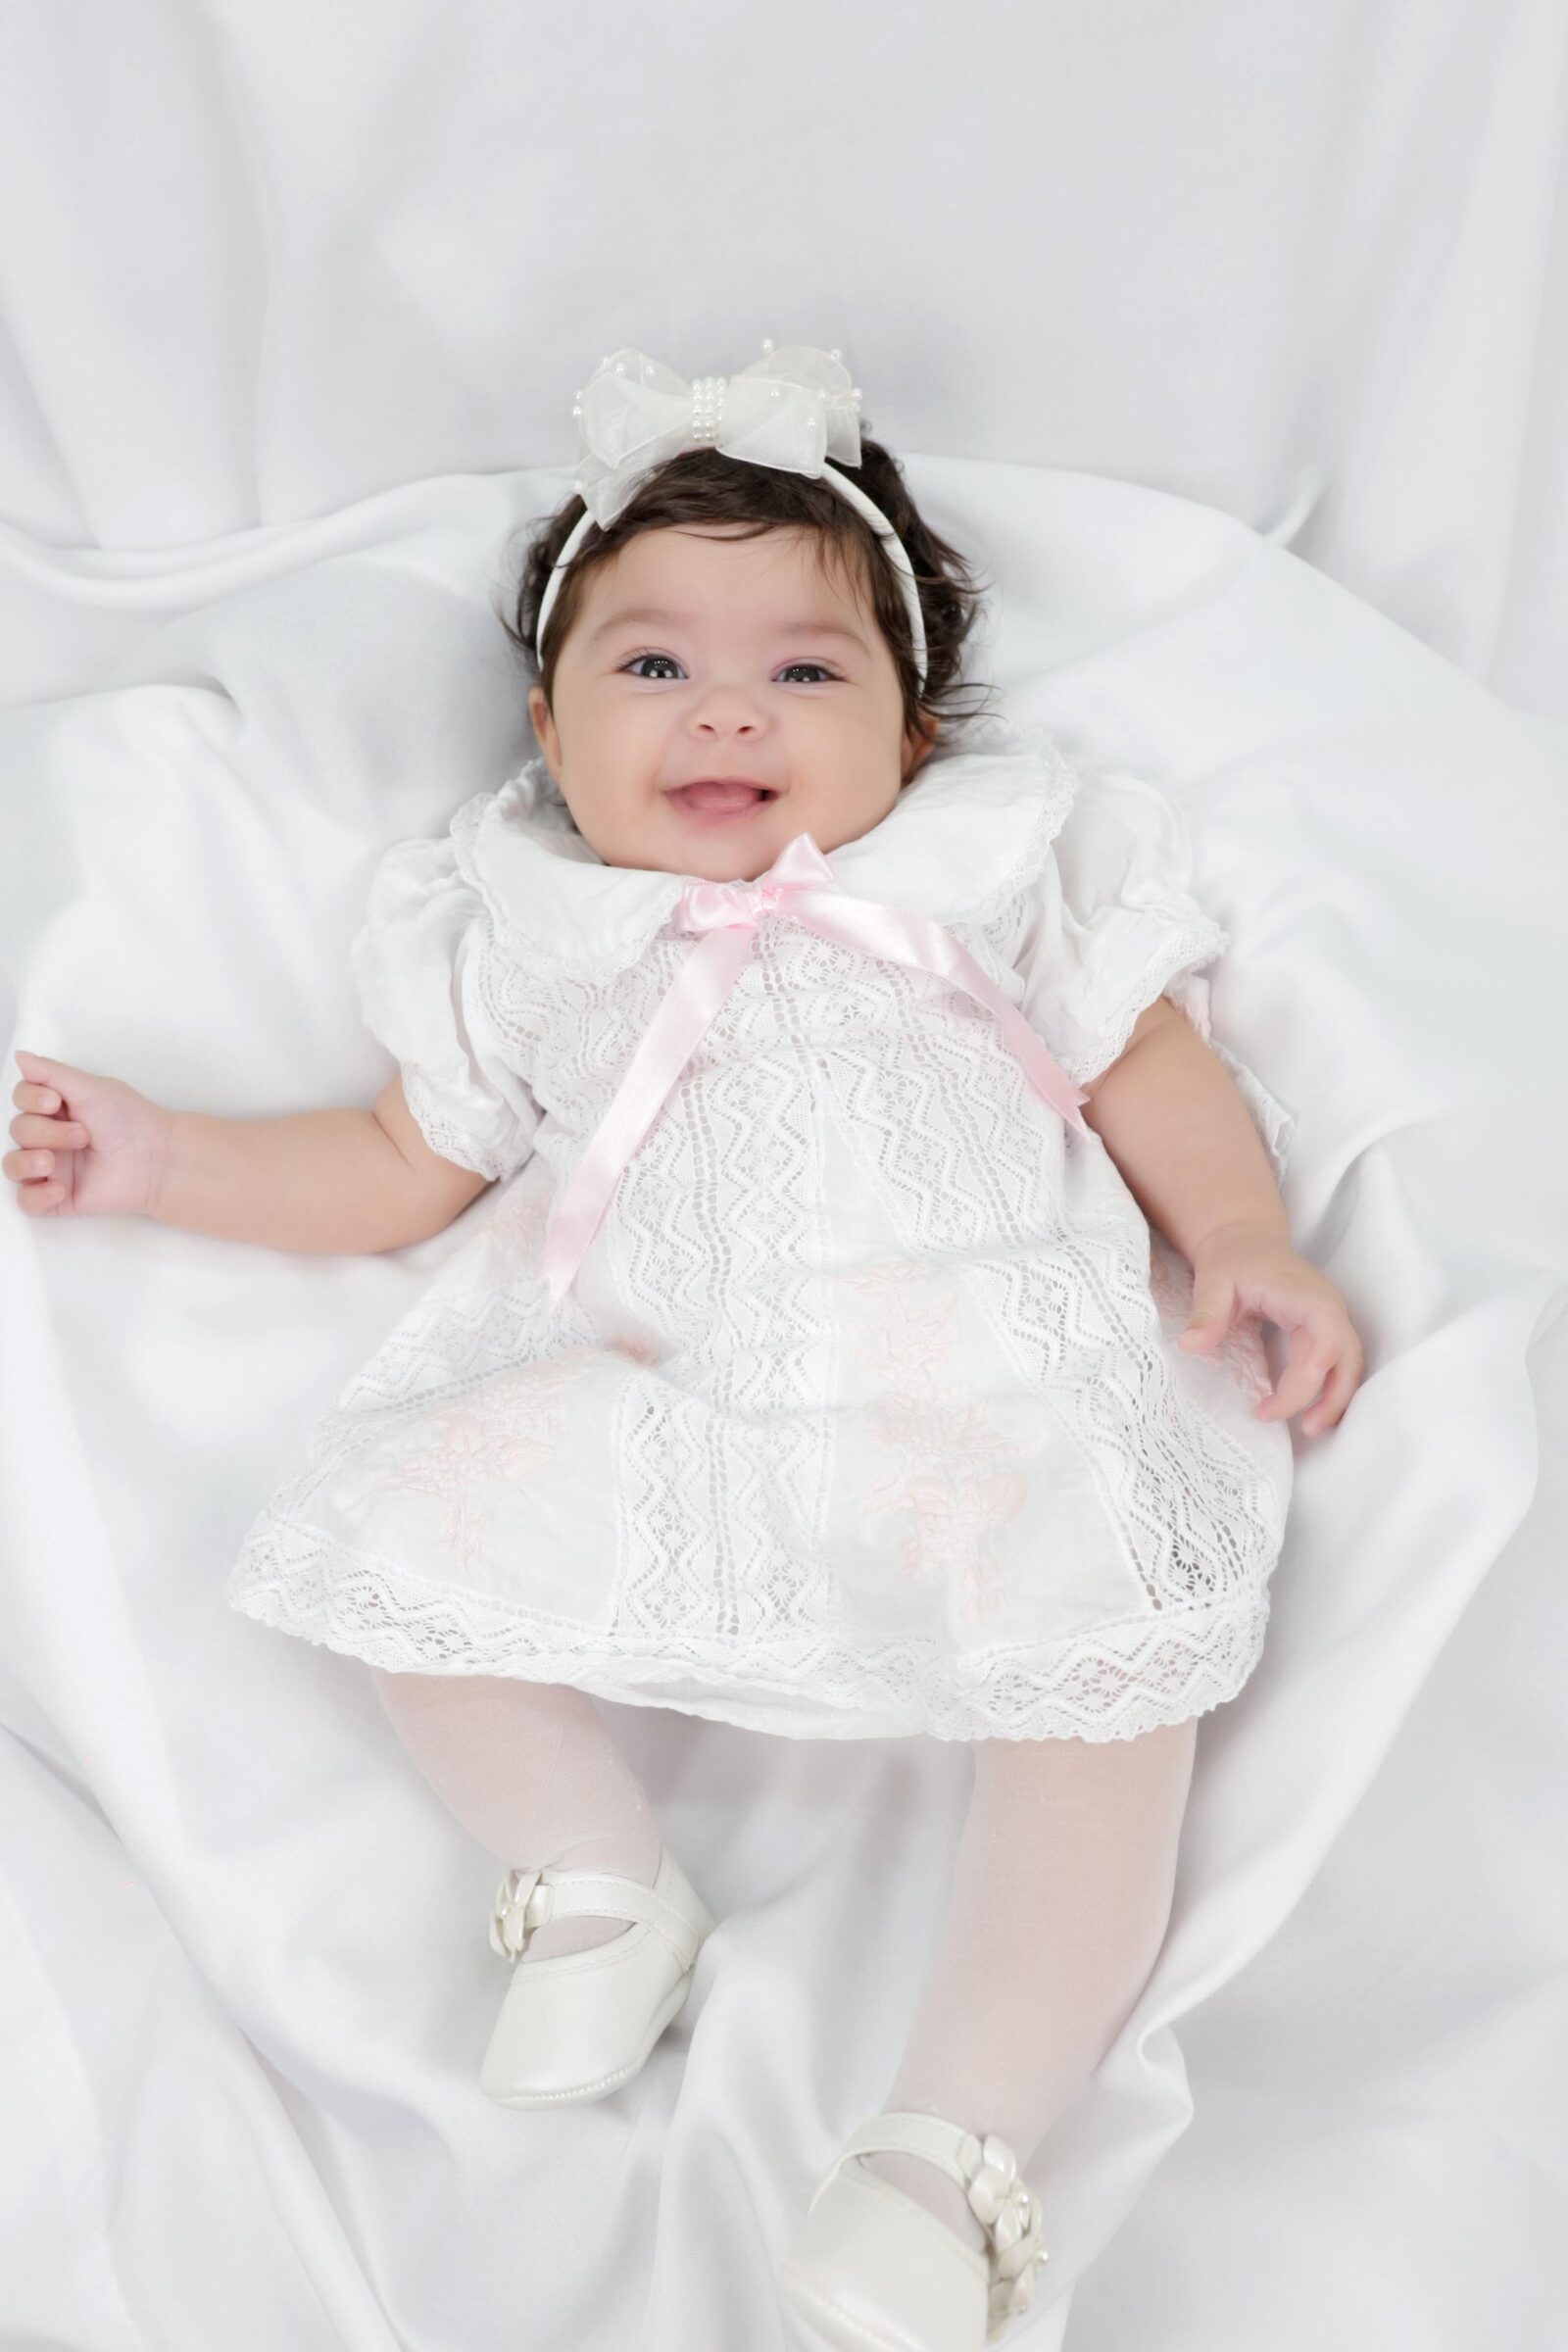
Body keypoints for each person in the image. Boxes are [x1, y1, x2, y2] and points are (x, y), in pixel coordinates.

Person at [4, 343, 1363, 2352]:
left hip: (985, 1395)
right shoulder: (531, 927)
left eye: (806, 670)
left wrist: (1242, 1237)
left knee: (1105, 1710)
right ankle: (594, 1876)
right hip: (667, 1390)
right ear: (547, 729)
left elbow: (1144, 1056)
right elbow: (394, 1163)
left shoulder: (985, 869)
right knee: (407, 1555)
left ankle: (950, 2149)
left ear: (913, 732)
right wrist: (161, 1156)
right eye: (650, 665)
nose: (727, 707)